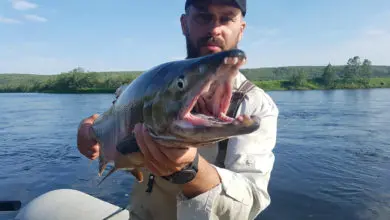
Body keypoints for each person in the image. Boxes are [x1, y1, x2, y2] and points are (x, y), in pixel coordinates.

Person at [78, 1, 279, 220]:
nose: (214, 29)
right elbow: (113, 120)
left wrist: (189, 169)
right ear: (184, 24)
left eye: (227, 18)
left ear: (241, 29)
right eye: (203, 17)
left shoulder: (257, 105)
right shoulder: (155, 82)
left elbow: (251, 204)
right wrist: (89, 127)